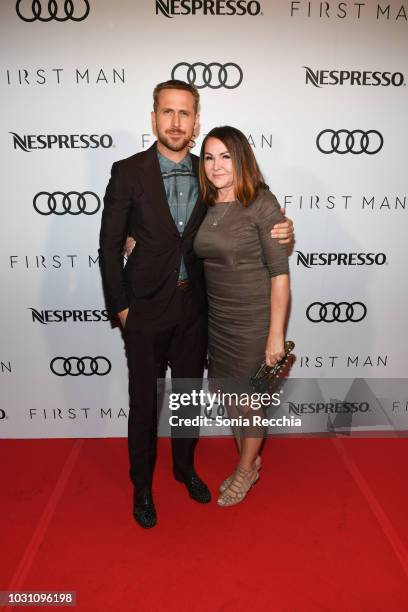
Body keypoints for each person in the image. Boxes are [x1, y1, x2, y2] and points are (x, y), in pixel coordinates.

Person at [99, 80, 294, 528]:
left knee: (186, 399)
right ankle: (142, 487)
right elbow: (109, 247)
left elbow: (244, 213)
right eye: (167, 112)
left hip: (196, 312)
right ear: (153, 119)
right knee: (145, 403)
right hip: (144, 311)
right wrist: (122, 308)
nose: (175, 122)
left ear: (195, 121)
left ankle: (184, 468)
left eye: (184, 114)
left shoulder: (208, 175)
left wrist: (283, 227)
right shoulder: (127, 172)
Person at [194, 126, 290, 506]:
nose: (216, 165)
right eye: (208, 156)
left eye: (225, 156)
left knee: (249, 400)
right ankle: (248, 459)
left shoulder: (262, 204)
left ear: (241, 159)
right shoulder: (204, 203)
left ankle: (246, 469)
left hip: (253, 322)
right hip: (217, 321)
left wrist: (275, 335)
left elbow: (280, 275)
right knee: (230, 394)